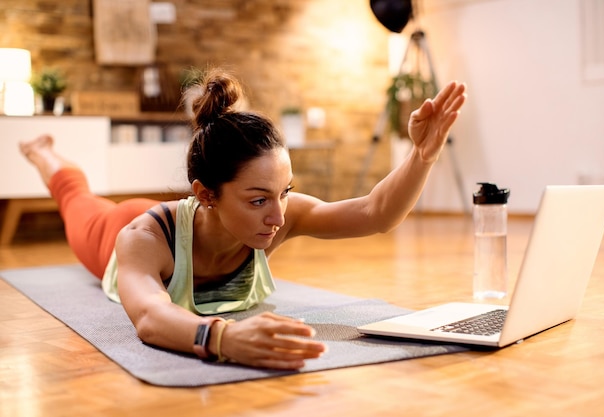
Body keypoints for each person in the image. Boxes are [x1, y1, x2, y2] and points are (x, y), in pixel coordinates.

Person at [20, 68, 466, 370]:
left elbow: (375, 213)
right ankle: (42, 151)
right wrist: (224, 339)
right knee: (75, 198)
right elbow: (152, 317)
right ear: (207, 194)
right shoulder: (143, 238)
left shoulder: (278, 215)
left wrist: (421, 156)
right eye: (257, 201)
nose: (277, 217)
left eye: (284, 193)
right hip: (115, 229)